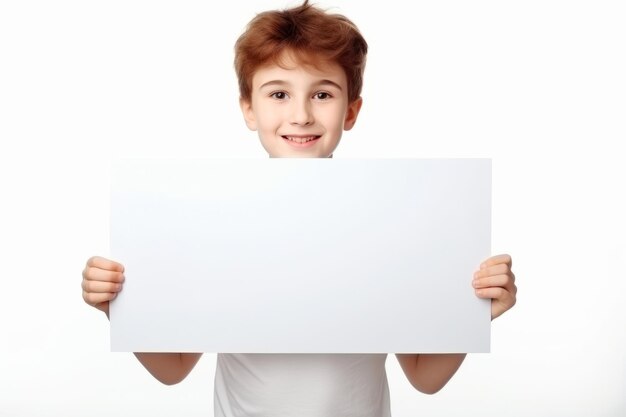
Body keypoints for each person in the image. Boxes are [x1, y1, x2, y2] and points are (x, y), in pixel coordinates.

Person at [81, 1, 517, 416]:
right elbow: (173, 368)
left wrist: (473, 311)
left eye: (323, 94)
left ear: (351, 110)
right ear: (248, 108)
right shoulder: (218, 222)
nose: (302, 115)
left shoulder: (388, 222)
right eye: (278, 94)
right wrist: (121, 306)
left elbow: (425, 377)